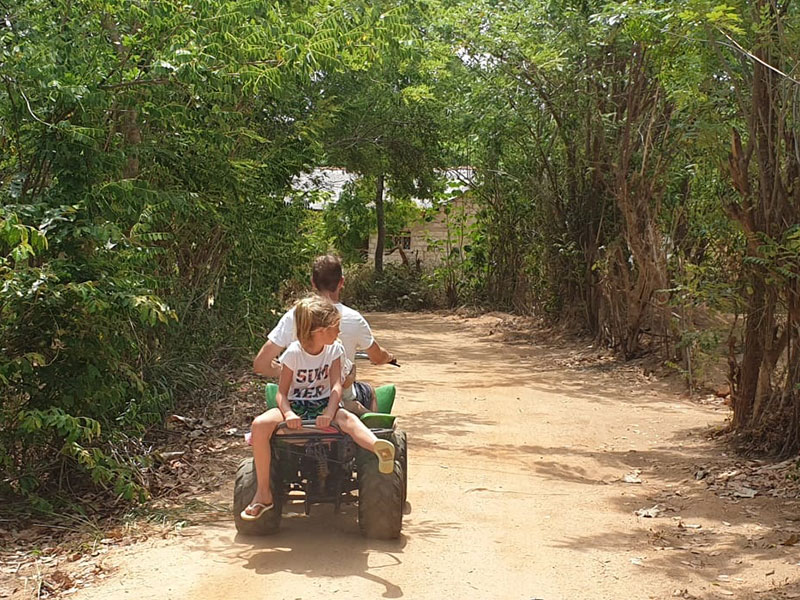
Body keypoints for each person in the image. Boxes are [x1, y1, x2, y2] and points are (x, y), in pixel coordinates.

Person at [241, 295, 396, 520]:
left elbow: (335, 387)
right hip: (296, 405)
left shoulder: (334, 350)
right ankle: (263, 493)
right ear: (320, 330)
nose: (339, 332)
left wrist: (329, 412)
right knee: (260, 424)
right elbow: (282, 393)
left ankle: (379, 448)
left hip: (324, 404)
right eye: (336, 327)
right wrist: (289, 413)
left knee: (349, 420)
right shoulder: (293, 353)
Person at [253, 254, 395, 414]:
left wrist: (295, 372)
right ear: (341, 282)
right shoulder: (353, 319)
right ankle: (374, 432)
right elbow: (376, 357)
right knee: (369, 391)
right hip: (340, 400)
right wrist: (388, 357)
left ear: (313, 283)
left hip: (299, 399)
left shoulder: (294, 316)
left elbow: (261, 365)